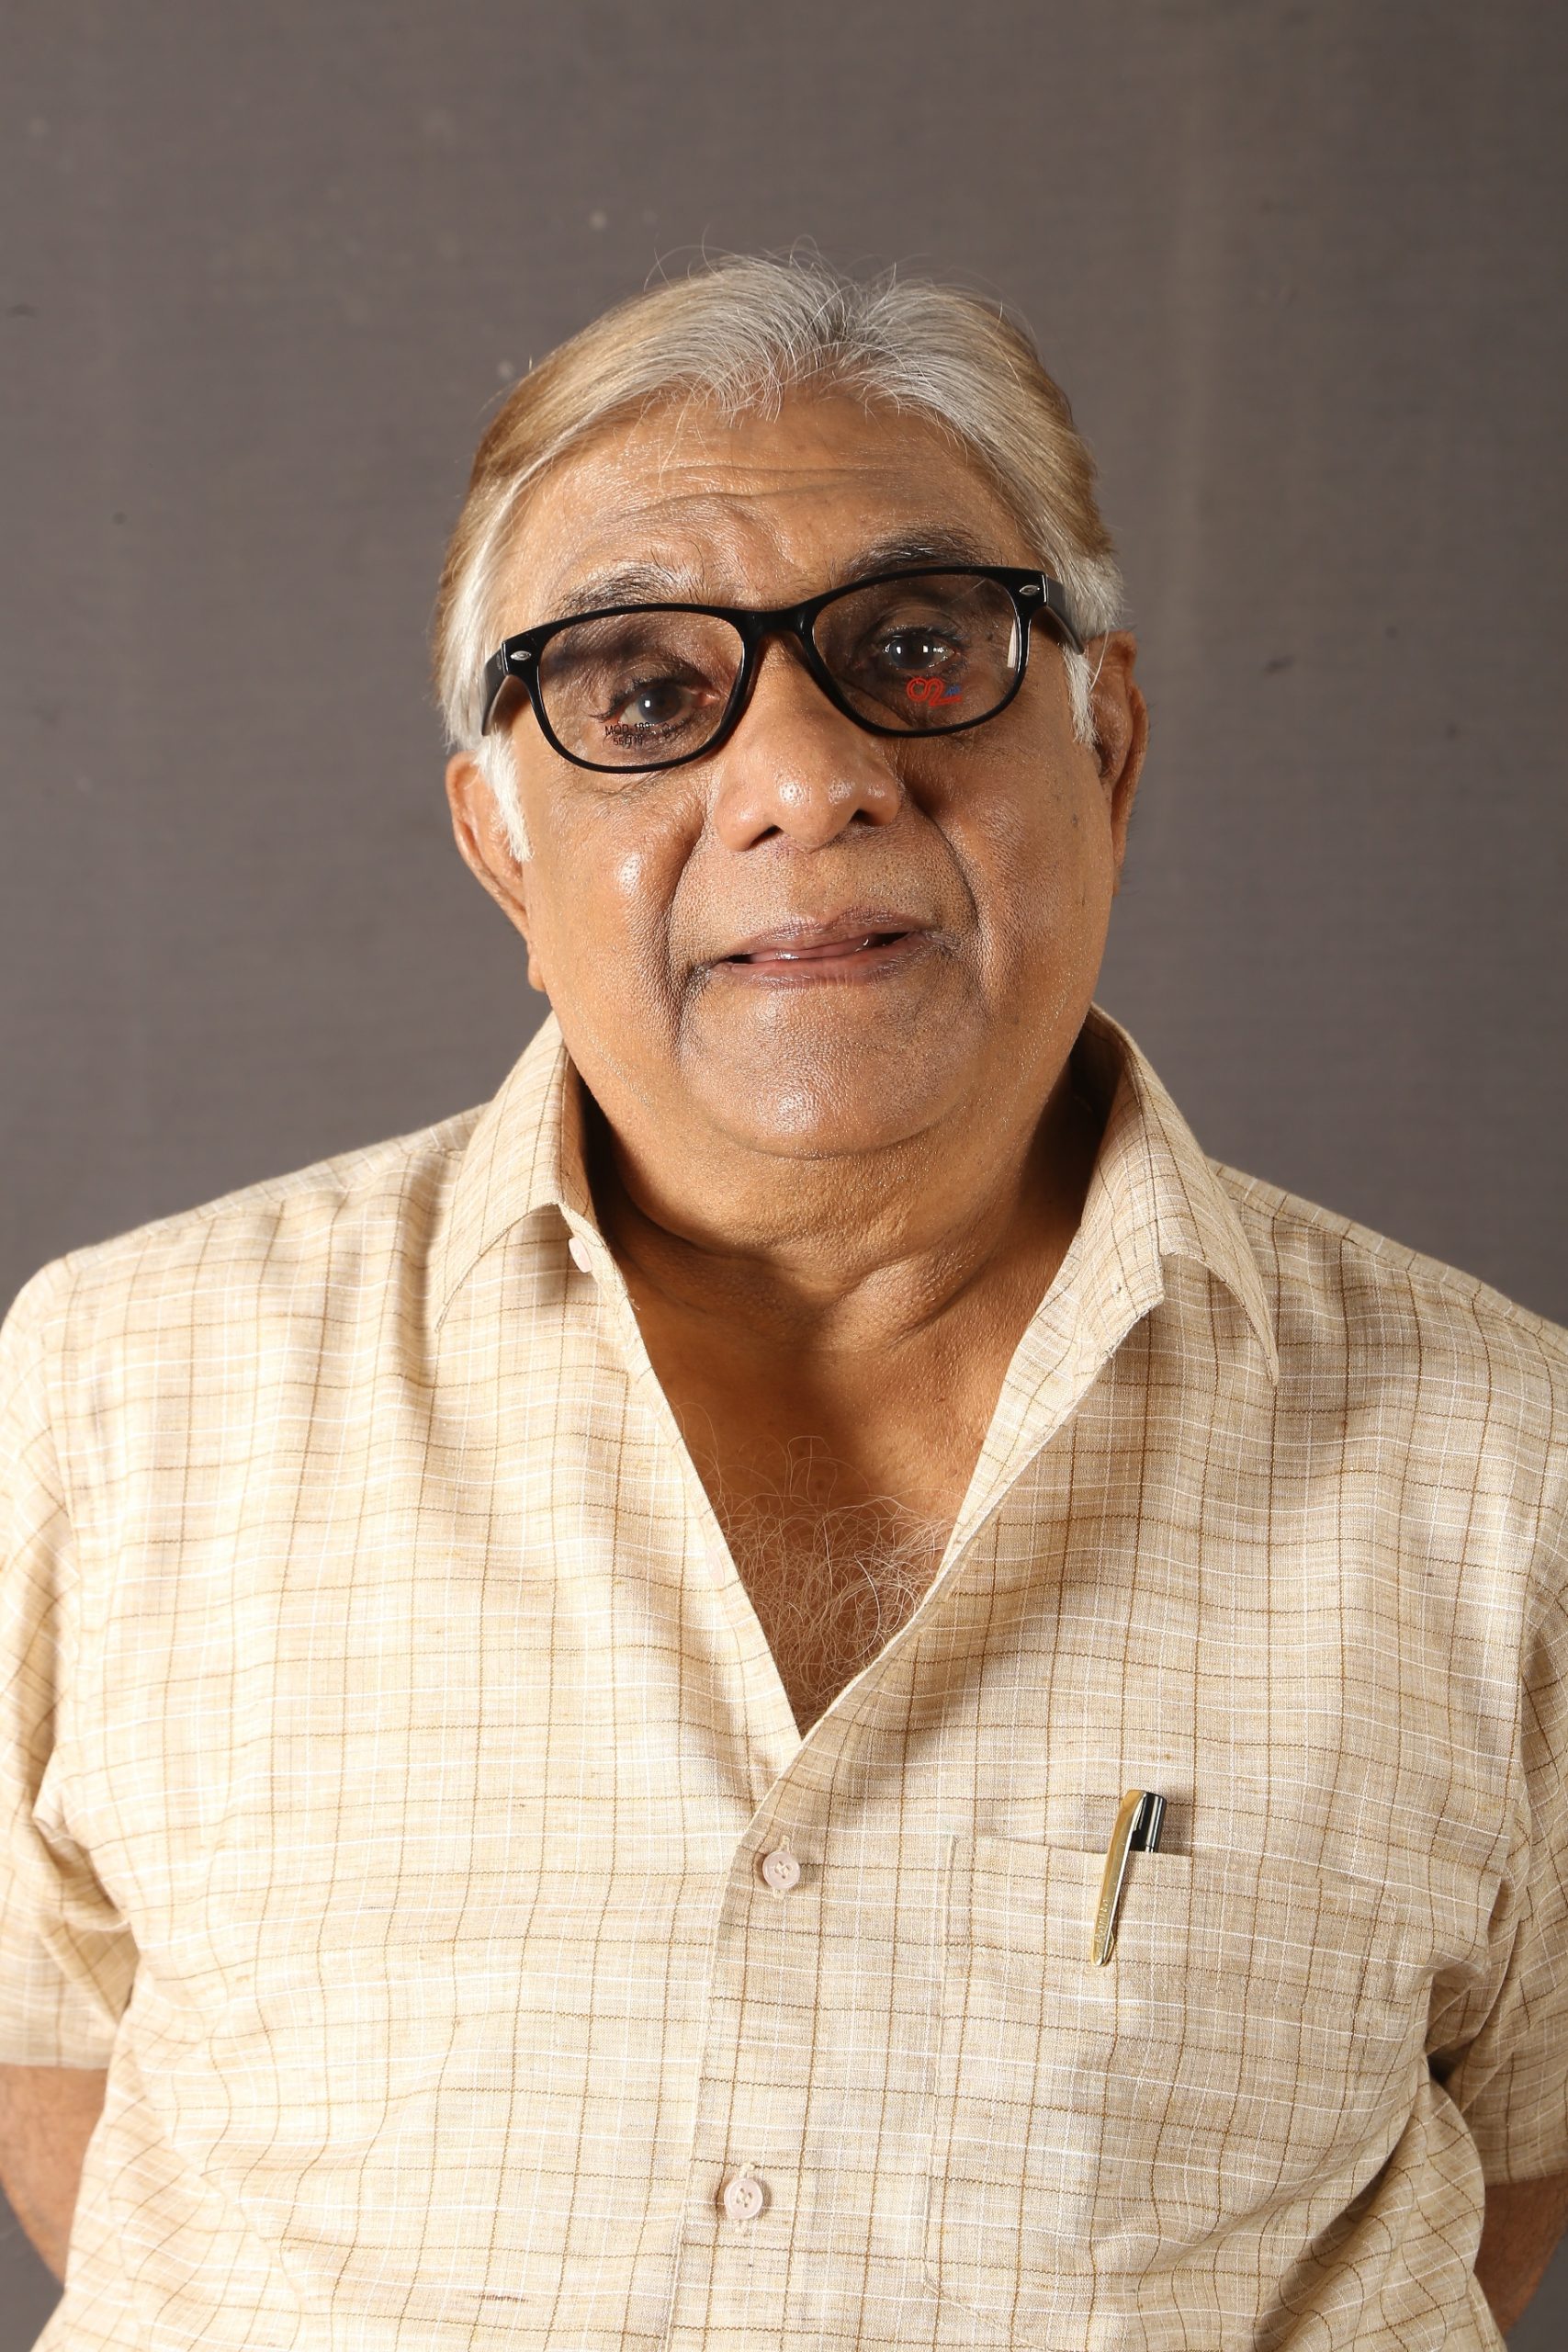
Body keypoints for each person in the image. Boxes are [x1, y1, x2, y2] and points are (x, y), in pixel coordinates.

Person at [1, 251, 1564, 2351]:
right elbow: (54, 2064)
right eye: (645, 696)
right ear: (500, 844)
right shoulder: (116, 1395)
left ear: (1103, 744)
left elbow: (1505, 2163)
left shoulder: (1507, 1477)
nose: (805, 776)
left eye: (915, 648)